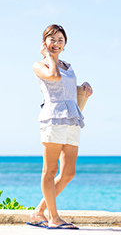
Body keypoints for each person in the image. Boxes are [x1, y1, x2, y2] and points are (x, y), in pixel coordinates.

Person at [27, 24, 93, 229]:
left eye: (60, 40)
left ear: (65, 44)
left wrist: (83, 89)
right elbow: (54, 77)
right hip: (53, 119)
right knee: (50, 170)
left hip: (72, 119)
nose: (56, 43)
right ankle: (53, 218)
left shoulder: (68, 66)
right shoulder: (40, 65)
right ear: (44, 42)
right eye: (52, 39)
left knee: (68, 173)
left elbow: (65, 89)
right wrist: (49, 56)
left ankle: (38, 212)